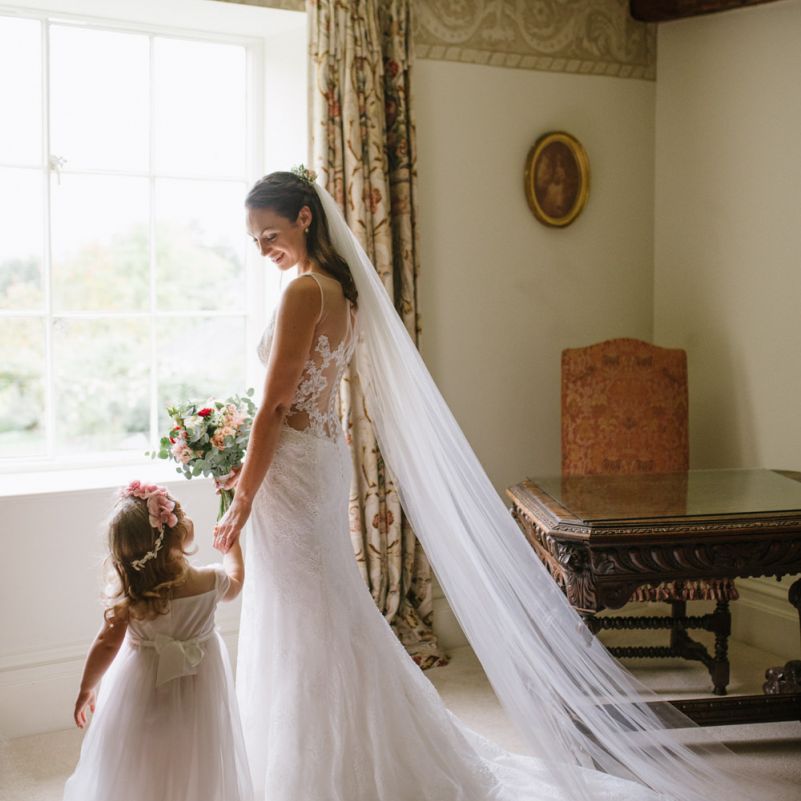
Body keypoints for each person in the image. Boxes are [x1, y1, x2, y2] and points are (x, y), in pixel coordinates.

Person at [212, 169, 775, 801]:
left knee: (305, 615)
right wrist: (252, 468)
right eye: (256, 240)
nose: (264, 249)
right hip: (313, 464)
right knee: (321, 613)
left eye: (270, 234)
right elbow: (306, 407)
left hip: (294, 474)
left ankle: (321, 770)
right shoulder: (340, 290)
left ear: (305, 218)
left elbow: (275, 407)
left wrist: (244, 495)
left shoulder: (301, 293)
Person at [64, 481, 253, 801]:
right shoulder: (210, 580)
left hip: (143, 684)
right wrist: (231, 546)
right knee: (195, 747)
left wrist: (86, 688)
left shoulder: (132, 594)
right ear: (177, 532)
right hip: (200, 684)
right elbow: (236, 582)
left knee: (140, 747)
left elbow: (106, 645)